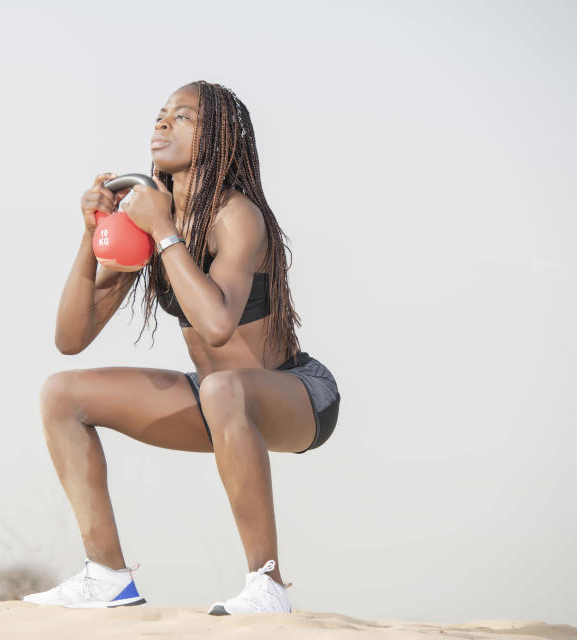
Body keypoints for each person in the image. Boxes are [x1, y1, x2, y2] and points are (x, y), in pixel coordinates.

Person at [21, 81, 340, 615]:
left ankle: (268, 585)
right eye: (160, 115)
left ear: (217, 138)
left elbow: (217, 325)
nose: (163, 124)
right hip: (213, 399)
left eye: (184, 117)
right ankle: (106, 575)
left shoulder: (237, 216)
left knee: (223, 389)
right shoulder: (150, 219)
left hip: (295, 393)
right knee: (61, 395)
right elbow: (70, 339)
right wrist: (90, 235)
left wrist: (163, 229)